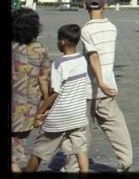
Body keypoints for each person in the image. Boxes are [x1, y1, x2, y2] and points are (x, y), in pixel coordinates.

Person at [64, 0, 132, 172]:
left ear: (85, 7)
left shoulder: (86, 29)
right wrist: (104, 82)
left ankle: (72, 167)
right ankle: (125, 160)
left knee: (81, 130)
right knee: (115, 125)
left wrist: (99, 81)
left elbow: (93, 56)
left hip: (89, 87)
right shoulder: (112, 27)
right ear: (106, 6)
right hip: (108, 86)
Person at [25, 24, 89, 173]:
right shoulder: (82, 59)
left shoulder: (59, 64)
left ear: (62, 42)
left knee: (39, 150)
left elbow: (54, 93)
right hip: (78, 115)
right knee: (80, 148)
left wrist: (40, 113)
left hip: (59, 117)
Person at [11, 9, 51, 173]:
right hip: (27, 106)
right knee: (19, 143)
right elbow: (43, 80)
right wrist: (46, 103)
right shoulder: (40, 50)